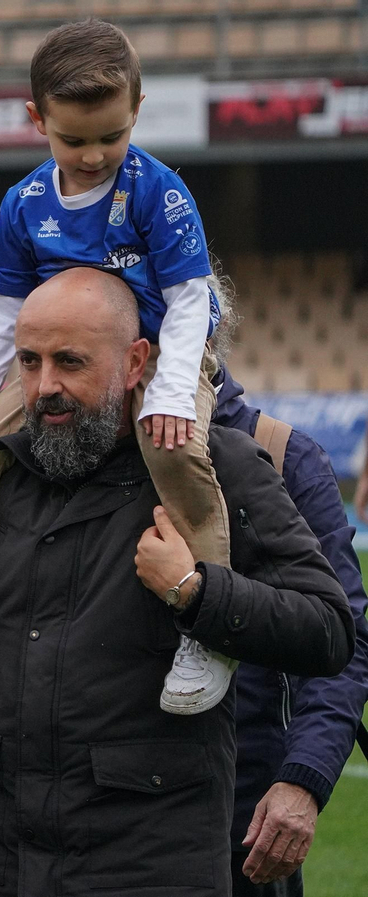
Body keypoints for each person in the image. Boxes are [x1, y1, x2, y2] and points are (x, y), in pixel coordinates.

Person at [0, 268, 354, 897]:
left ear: (138, 362)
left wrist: (196, 592)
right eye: (29, 361)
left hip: (149, 863)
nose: (45, 386)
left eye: (70, 362)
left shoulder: (222, 466)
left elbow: (329, 629)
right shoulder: (7, 467)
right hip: (1, 859)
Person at [0, 19, 236, 715]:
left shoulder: (160, 191)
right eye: (74, 139)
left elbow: (191, 302)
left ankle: (206, 623)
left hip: (162, 347)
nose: (95, 155)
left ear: (138, 110)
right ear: (37, 119)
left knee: (177, 452)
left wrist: (172, 395)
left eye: (112, 135)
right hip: (60, 362)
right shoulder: (23, 205)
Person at [202, 292, 368, 895]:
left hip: (242, 817)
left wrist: (304, 779)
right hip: (106, 820)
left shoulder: (283, 455)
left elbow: (344, 638)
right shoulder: (88, 455)